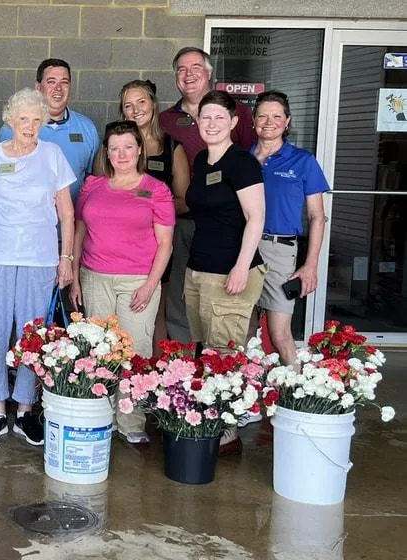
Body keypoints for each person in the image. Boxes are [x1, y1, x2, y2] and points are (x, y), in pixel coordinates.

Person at [0, 89, 76, 448]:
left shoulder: (52, 155)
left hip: (39, 259)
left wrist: (66, 258)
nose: (30, 126)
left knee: (32, 338)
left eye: (36, 120)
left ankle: (26, 410)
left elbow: (67, 213)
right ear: (10, 120)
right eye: (23, 119)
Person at [71, 120, 175, 444]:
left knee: (134, 350)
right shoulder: (92, 186)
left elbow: (166, 244)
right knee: (99, 350)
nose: (122, 154)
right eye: (114, 148)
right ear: (106, 152)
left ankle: (131, 420)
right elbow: (79, 233)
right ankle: (102, 415)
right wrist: (74, 277)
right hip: (94, 276)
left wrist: (150, 285)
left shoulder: (156, 189)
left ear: (140, 149)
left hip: (138, 280)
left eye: (128, 147)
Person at [184, 91, 266, 454]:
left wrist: (241, 267)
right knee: (206, 350)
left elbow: (256, 217)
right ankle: (209, 421)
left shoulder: (241, 162)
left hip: (231, 271)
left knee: (224, 354)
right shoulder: (202, 159)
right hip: (200, 270)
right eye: (206, 117)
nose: (212, 124)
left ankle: (227, 434)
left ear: (233, 122)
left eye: (220, 117)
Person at [160, 47, 257, 344]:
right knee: (190, 311)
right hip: (189, 229)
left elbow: (255, 212)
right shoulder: (170, 124)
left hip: (230, 238)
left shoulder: (241, 151)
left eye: (196, 68)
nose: (188, 74)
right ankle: (185, 362)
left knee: (227, 330)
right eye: (181, 69)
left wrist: (242, 266)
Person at [251, 90, 328, 366]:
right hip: (242, 248)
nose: (269, 122)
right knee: (240, 332)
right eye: (262, 116)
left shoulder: (303, 160)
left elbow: (317, 217)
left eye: (276, 116)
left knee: (279, 333)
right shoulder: (242, 158)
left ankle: (295, 389)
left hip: (280, 251)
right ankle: (244, 391)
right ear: (253, 120)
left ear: (287, 121)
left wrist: (311, 265)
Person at [113, 80, 190, 347]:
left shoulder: (171, 147)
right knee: (117, 313)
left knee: (155, 310)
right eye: (128, 105)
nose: (136, 110)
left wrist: (151, 209)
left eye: (141, 102)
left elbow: (185, 201)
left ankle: (152, 369)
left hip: (158, 243)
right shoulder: (112, 146)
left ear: (153, 105)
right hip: (119, 244)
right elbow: (102, 194)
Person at [0, 58, 99, 202]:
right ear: (38, 87)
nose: (58, 88)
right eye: (51, 82)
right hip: (26, 215)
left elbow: (92, 181)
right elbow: (0, 177)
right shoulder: (13, 128)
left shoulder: (87, 128)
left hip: (71, 215)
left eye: (64, 82)